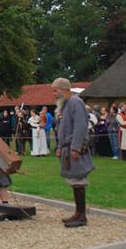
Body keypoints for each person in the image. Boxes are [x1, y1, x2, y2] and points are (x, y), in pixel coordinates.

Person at [52, 77, 94, 228]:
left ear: (63, 89)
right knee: (73, 180)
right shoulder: (65, 105)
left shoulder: (75, 102)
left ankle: (81, 215)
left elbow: (80, 126)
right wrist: (59, 146)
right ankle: (77, 213)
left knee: (78, 180)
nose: (54, 94)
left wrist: (75, 147)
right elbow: (62, 129)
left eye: (55, 90)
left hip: (73, 148)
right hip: (66, 147)